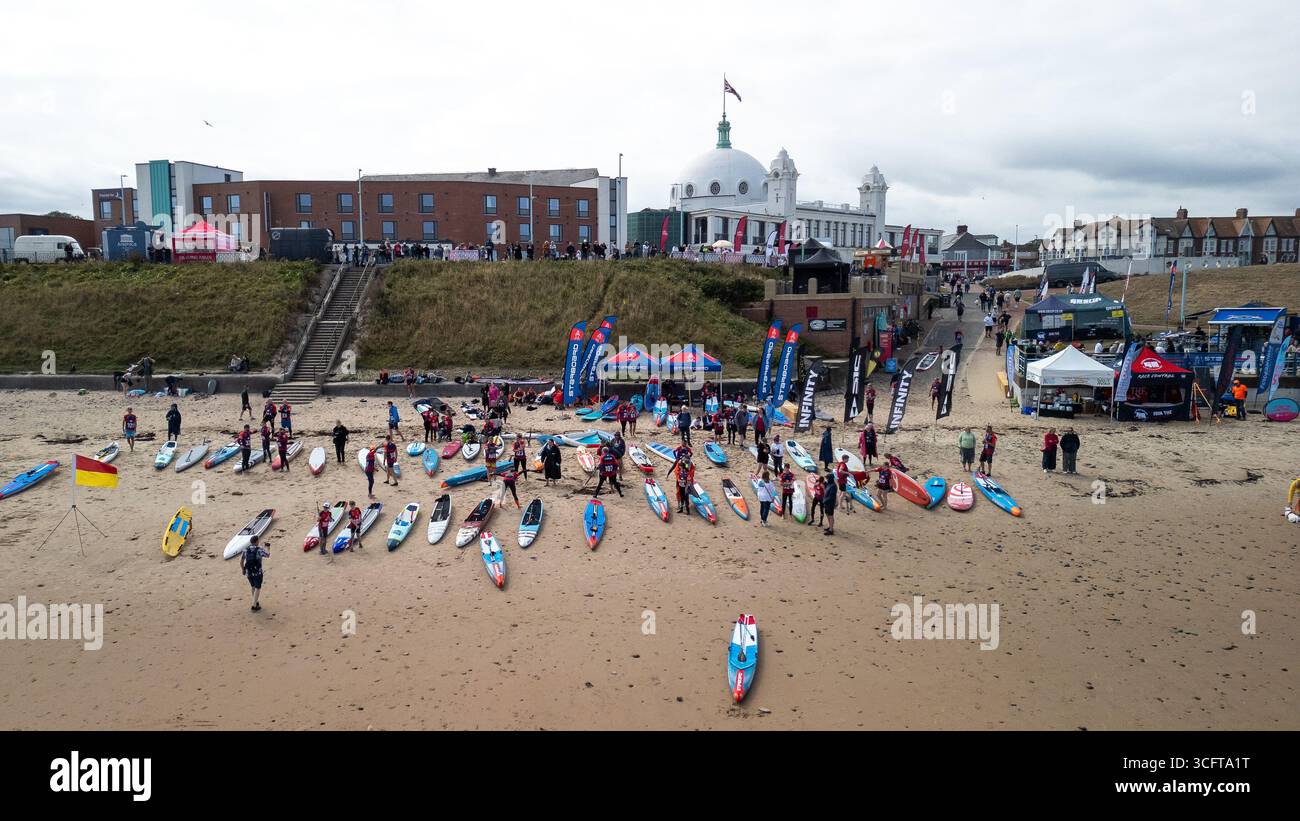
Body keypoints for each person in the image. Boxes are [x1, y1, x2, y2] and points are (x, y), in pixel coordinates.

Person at [240, 534, 270, 612]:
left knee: (253, 586)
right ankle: (254, 605)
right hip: (257, 572)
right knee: (258, 587)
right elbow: (267, 555)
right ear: (257, 541)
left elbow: (241, 561)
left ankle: (255, 602)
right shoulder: (259, 549)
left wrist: (243, 569)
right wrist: (268, 547)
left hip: (248, 572)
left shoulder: (245, 550)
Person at [821, 470, 838, 535]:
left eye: (827, 478)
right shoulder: (829, 483)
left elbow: (831, 496)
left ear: (830, 479)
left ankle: (831, 530)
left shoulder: (833, 486)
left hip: (830, 503)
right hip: (827, 503)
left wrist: (824, 501)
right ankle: (830, 526)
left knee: (830, 516)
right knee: (827, 514)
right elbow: (824, 483)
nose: (826, 479)